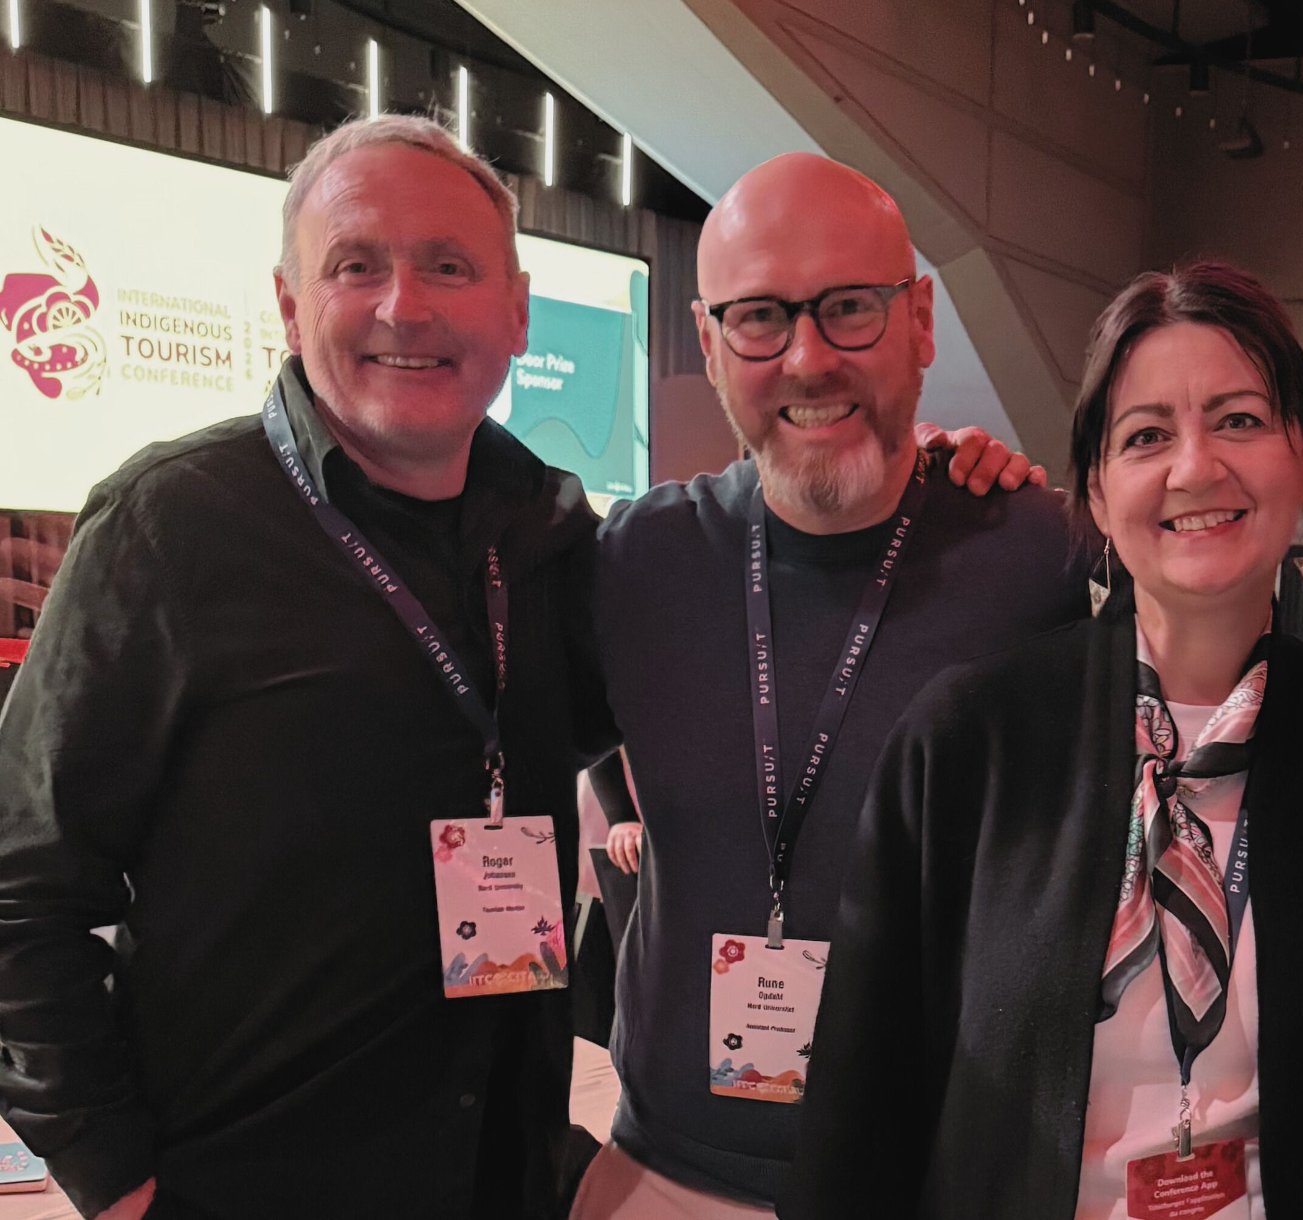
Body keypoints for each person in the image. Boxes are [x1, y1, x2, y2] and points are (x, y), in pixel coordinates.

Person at [0, 115, 617, 1218]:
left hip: (502, 1182)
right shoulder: (172, 527)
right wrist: (111, 1174)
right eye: (355, 266)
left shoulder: (553, 538)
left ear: (517, 311)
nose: (404, 306)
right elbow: (20, 886)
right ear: (289, 306)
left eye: (449, 266)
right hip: (245, 1186)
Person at [784, 261, 1303, 1218]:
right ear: (1096, 489)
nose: (1195, 468)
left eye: (1239, 420)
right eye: (1147, 436)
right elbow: (860, 1102)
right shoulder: (972, 739)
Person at [576, 153, 1092, 1217]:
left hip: (935, 1184)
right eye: (760, 317)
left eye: (851, 307)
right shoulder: (638, 561)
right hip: (667, 1178)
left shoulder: (1035, 555)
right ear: (709, 343)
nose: (808, 359)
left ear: (921, 322)